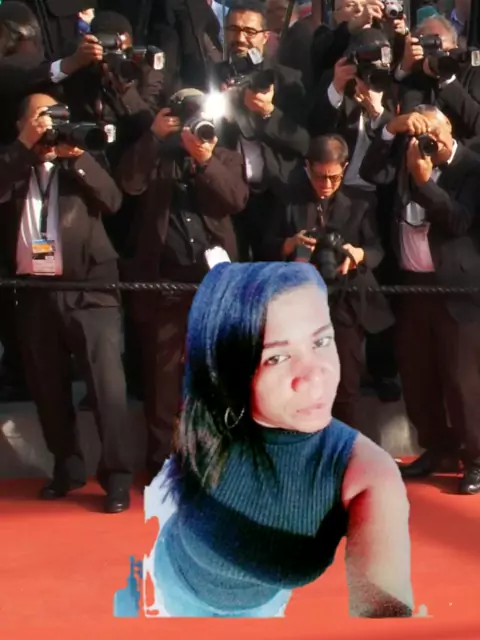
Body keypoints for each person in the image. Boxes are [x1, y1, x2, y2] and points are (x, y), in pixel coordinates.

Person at [145, 261, 414, 618]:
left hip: (262, 610)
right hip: (172, 584)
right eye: (277, 357)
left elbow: (383, 607)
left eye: (321, 341)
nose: (313, 376)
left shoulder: (363, 470)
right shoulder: (209, 418)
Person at [0, 92, 135, 512]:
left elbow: (114, 200)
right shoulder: (13, 163)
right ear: (23, 123)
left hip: (91, 288)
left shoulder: (80, 154)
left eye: (58, 115)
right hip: (35, 293)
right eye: (43, 116)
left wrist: (77, 158)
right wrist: (24, 147)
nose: (52, 124)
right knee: (48, 387)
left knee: (107, 387)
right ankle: (67, 468)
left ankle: (117, 478)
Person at [360, 105, 480, 494]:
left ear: (450, 128)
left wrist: (424, 181)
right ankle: (438, 448)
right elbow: (369, 172)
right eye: (420, 132)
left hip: (456, 290)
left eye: (435, 132)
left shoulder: (471, 167)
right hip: (411, 285)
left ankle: (476, 458)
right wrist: (390, 129)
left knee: (462, 381)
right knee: (417, 376)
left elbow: (460, 220)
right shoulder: (407, 153)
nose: (429, 140)